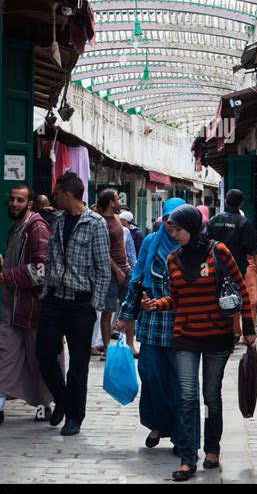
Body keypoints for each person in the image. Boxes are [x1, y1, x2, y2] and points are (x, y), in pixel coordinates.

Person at [142, 204, 256, 481]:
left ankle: (212, 449)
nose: (174, 233)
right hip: (185, 338)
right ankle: (187, 457)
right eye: (171, 228)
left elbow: (241, 289)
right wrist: (156, 305)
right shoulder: (173, 259)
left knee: (211, 396)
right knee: (187, 396)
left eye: (178, 229)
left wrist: (248, 328)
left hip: (216, 336)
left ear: (192, 228)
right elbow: (176, 299)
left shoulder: (218, 252)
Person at [35, 172, 110, 436]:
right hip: (54, 299)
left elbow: (103, 268)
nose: (54, 199)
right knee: (43, 353)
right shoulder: (57, 220)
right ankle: (63, 401)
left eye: (57, 194)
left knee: (78, 365)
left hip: (81, 304)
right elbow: (52, 258)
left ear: (67, 195)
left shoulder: (96, 223)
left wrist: (94, 306)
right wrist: (45, 292)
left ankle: (74, 417)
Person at [116, 197, 192, 453]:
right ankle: (156, 425)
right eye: (169, 223)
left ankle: (180, 435)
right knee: (151, 378)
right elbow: (137, 279)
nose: (172, 230)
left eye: (177, 224)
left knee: (178, 383)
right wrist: (126, 314)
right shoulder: (151, 241)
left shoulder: (191, 245)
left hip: (181, 325)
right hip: (152, 323)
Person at [0, 185, 52, 425]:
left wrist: (8, 276)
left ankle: (43, 406)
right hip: (13, 309)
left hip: (32, 309)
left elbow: (42, 271)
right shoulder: (15, 229)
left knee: (37, 358)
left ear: (29, 204)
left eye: (20, 200)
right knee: (4, 353)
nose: (14, 204)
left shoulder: (37, 229)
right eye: (12, 199)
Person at [96, 189, 134, 358]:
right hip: (111, 272)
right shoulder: (102, 223)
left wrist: (127, 267)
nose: (119, 200)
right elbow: (104, 251)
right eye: (117, 198)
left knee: (131, 308)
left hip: (124, 269)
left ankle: (130, 345)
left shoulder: (118, 219)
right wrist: (117, 270)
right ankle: (106, 349)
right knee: (108, 310)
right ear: (111, 202)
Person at [207, 189, 257, 280]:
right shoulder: (245, 223)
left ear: (225, 202)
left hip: (215, 268)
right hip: (236, 270)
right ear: (241, 204)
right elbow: (254, 249)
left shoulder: (214, 220)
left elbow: (204, 239)